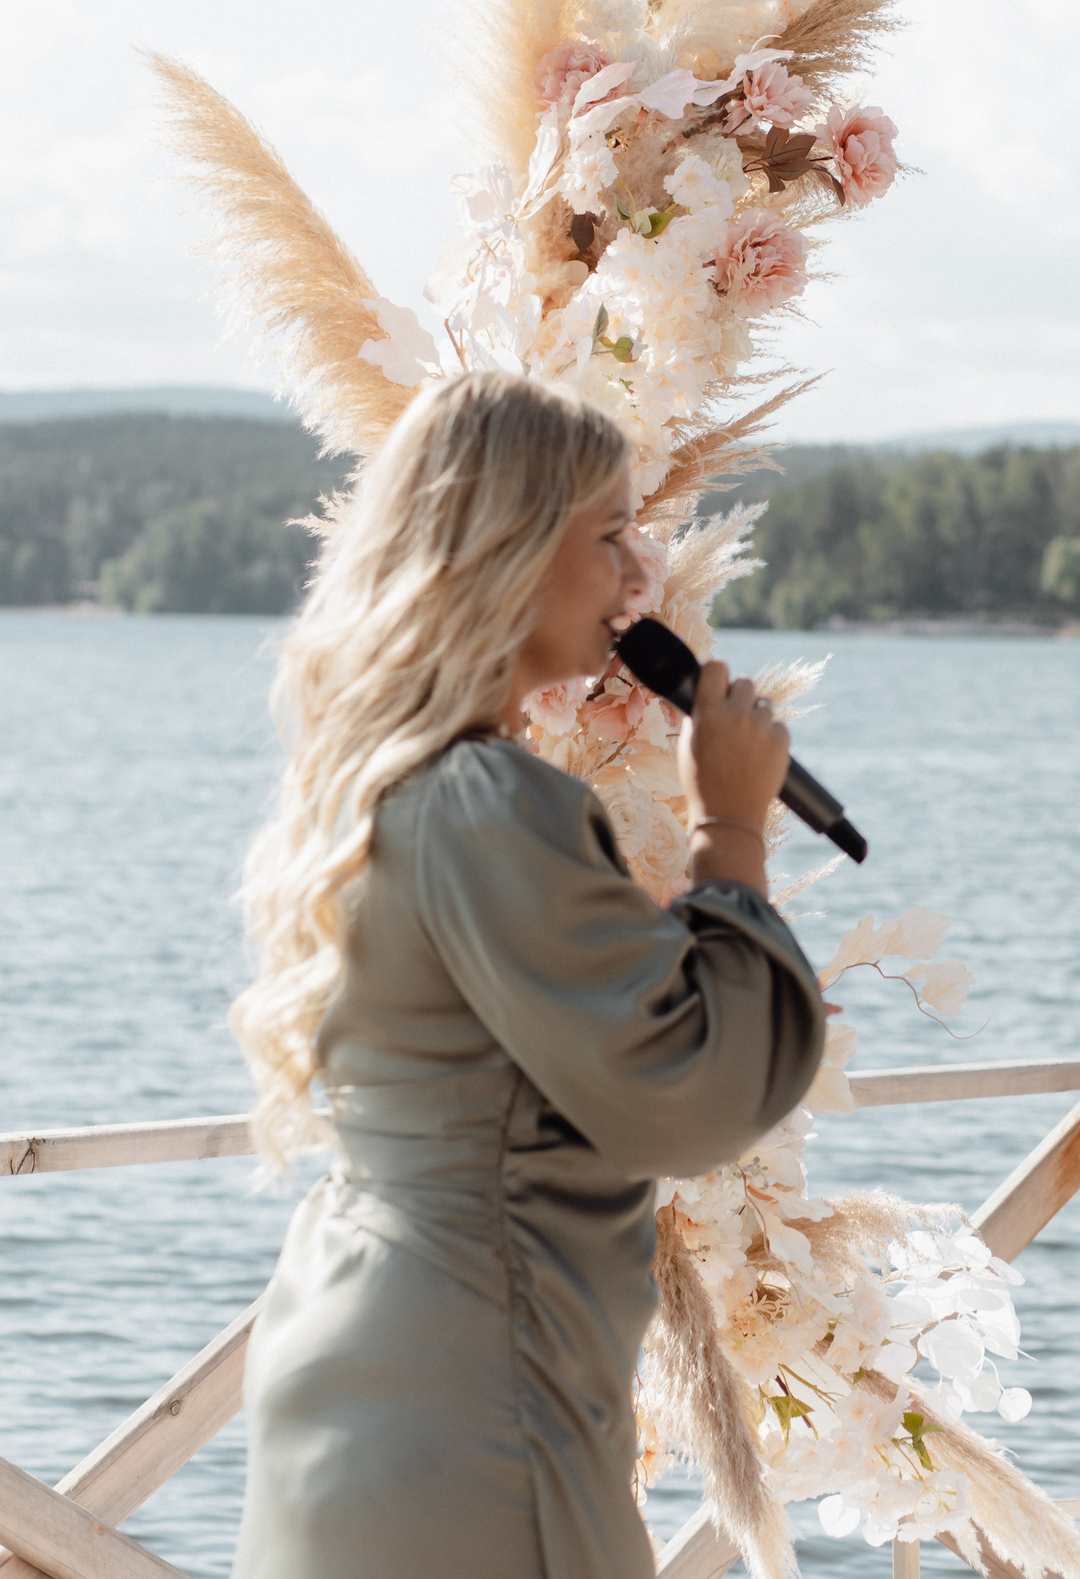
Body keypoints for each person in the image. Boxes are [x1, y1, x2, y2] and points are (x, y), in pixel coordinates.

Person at [226, 372, 827, 1579]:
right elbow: (691, 1086)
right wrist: (731, 831)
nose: (637, 574)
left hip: (361, 1358)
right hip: (475, 1393)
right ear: (505, 550)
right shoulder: (490, 798)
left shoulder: (377, 786)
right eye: (607, 533)